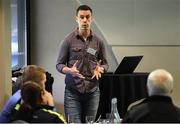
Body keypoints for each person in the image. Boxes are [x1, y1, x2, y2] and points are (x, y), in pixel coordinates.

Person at [56, 5, 108, 123]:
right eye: (82, 17)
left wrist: (101, 69)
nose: (85, 20)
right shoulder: (68, 41)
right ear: (77, 19)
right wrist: (69, 70)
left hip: (93, 92)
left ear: (91, 19)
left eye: (87, 17)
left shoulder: (98, 42)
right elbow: (59, 65)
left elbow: (105, 63)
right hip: (72, 93)